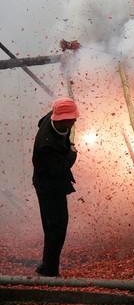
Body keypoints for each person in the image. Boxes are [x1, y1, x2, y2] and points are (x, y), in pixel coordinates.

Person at [32, 97, 79, 277]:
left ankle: (48, 266)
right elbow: (60, 169)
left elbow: (40, 122)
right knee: (55, 227)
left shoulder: (51, 117)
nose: (74, 121)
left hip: (54, 181)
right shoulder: (47, 145)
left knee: (57, 225)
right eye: (71, 118)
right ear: (61, 120)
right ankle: (49, 270)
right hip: (48, 186)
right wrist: (72, 153)